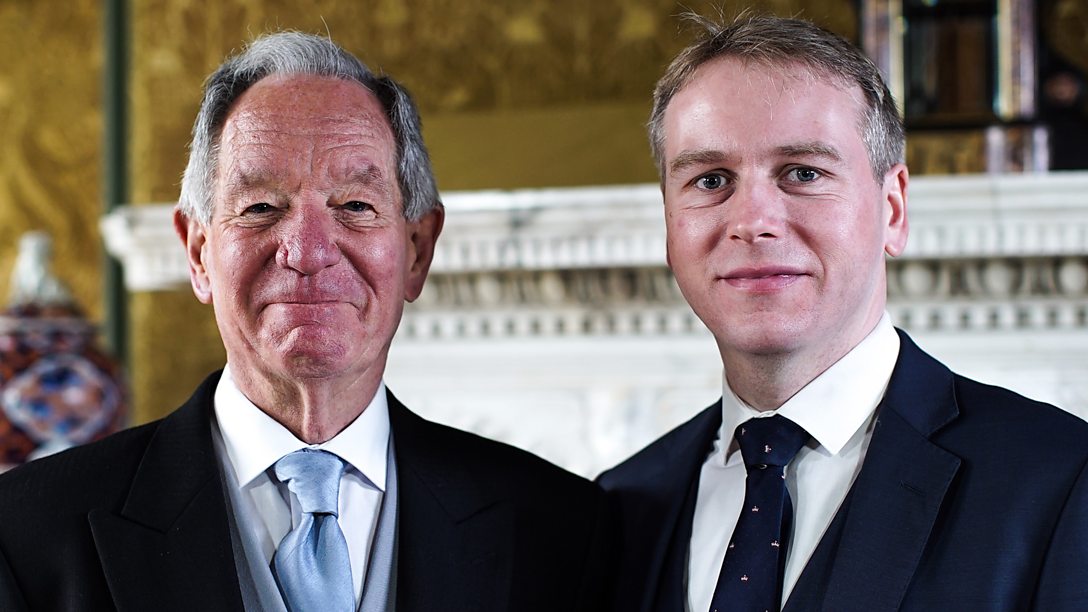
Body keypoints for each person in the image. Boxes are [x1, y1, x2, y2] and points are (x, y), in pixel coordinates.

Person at [0, 32, 610, 612]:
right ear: (198, 252)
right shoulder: (25, 532)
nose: (309, 251)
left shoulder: (560, 529)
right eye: (261, 207)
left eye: (355, 205)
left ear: (417, 251)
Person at [598, 14, 1088, 612]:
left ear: (893, 209)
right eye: (710, 180)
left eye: (803, 173)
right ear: (669, 224)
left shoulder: (1062, 482)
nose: (752, 221)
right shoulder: (618, 507)